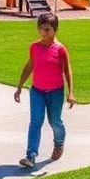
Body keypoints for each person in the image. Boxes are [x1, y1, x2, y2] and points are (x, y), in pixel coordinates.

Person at [14, 12, 75, 168]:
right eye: (40, 29)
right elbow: (29, 67)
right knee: (36, 121)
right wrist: (20, 87)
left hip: (55, 92)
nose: (43, 32)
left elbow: (67, 71)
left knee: (55, 121)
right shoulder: (34, 47)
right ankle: (31, 156)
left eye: (47, 29)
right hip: (37, 91)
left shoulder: (60, 49)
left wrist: (70, 92)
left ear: (55, 30)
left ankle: (59, 143)